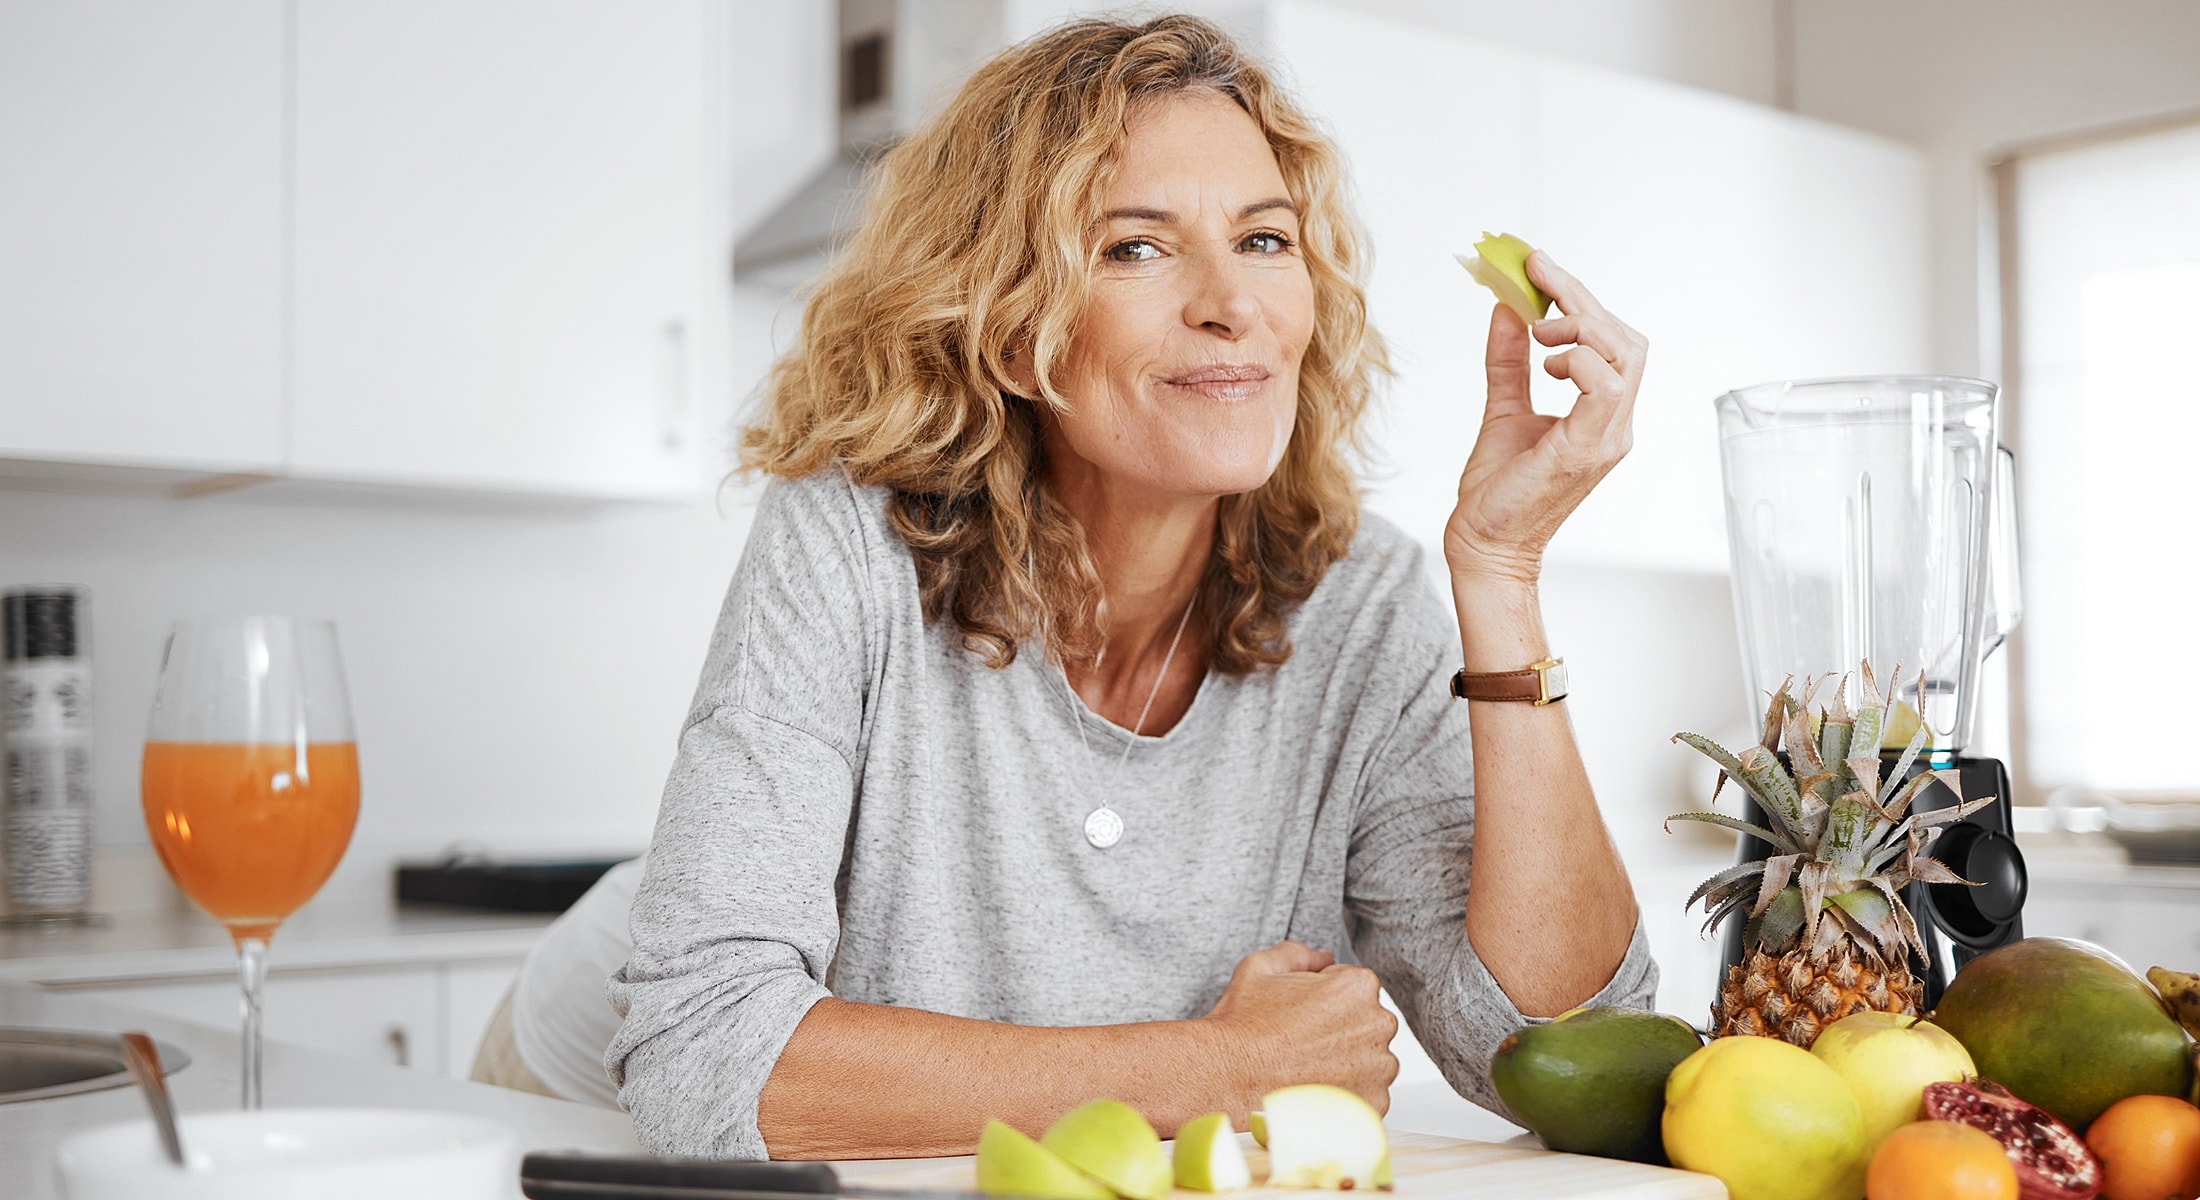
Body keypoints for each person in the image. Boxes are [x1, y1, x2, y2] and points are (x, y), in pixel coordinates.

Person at [604, 13, 1653, 1159]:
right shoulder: (846, 543)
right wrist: (1218, 1067)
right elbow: (700, 1053)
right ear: (1011, 332)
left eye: (1263, 240)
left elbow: (1575, 1057)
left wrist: (1499, 577)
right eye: (1135, 249)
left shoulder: (1361, 606)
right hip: (567, 1081)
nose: (1230, 303)